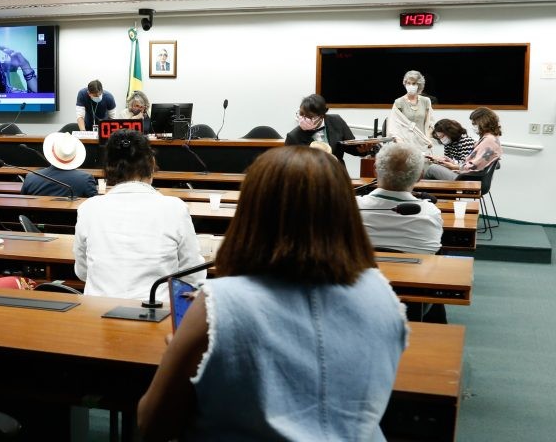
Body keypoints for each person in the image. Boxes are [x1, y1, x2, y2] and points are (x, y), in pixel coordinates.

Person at [138, 146, 407, 441]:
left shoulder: (219, 303)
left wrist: (177, 356)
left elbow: (154, 424)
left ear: (252, 211)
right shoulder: (382, 295)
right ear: (346, 211)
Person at [73, 129, 205, 299]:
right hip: (156, 310)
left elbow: (82, 272)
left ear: (108, 167)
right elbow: (193, 276)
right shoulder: (175, 208)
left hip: (98, 310)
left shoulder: (88, 208)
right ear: (152, 163)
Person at [357, 142, 443, 255]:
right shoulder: (431, 212)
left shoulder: (351, 207)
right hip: (416, 267)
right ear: (420, 176)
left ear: (375, 171)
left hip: (360, 266)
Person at [285, 93, 374, 162]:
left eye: (310, 117)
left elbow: (350, 147)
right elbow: (290, 166)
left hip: (337, 174)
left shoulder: (336, 121)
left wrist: (362, 150)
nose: (304, 119)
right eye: (301, 114)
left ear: (322, 116)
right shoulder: (293, 137)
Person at [424, 107, 503, 180]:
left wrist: (453, 166)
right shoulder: (487, 139)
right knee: (434, 169)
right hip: (467, 176)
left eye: (474, 123)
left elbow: (474, 166)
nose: (473, 126)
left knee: (432, 168)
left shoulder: (489, 141)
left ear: (483, 122)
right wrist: (449, 162)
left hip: (468, 178)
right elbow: (471, 163)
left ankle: (421, 191)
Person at [21, 132, 97, 198]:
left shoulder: (31, 177)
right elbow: (94, 205)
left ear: (52, 153)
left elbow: (23, 202)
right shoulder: (86, 179)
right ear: (75, 155)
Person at [386, 70, 434, 152]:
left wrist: (428, 139)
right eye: (408, 83)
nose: (411, 86)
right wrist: (401, 144)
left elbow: (429, 123)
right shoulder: (399, 102)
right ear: (405, 84)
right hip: (404, 144)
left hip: (422, 144)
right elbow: (394, 126)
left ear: (419, 85)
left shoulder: (426, 101)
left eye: (414, 83)